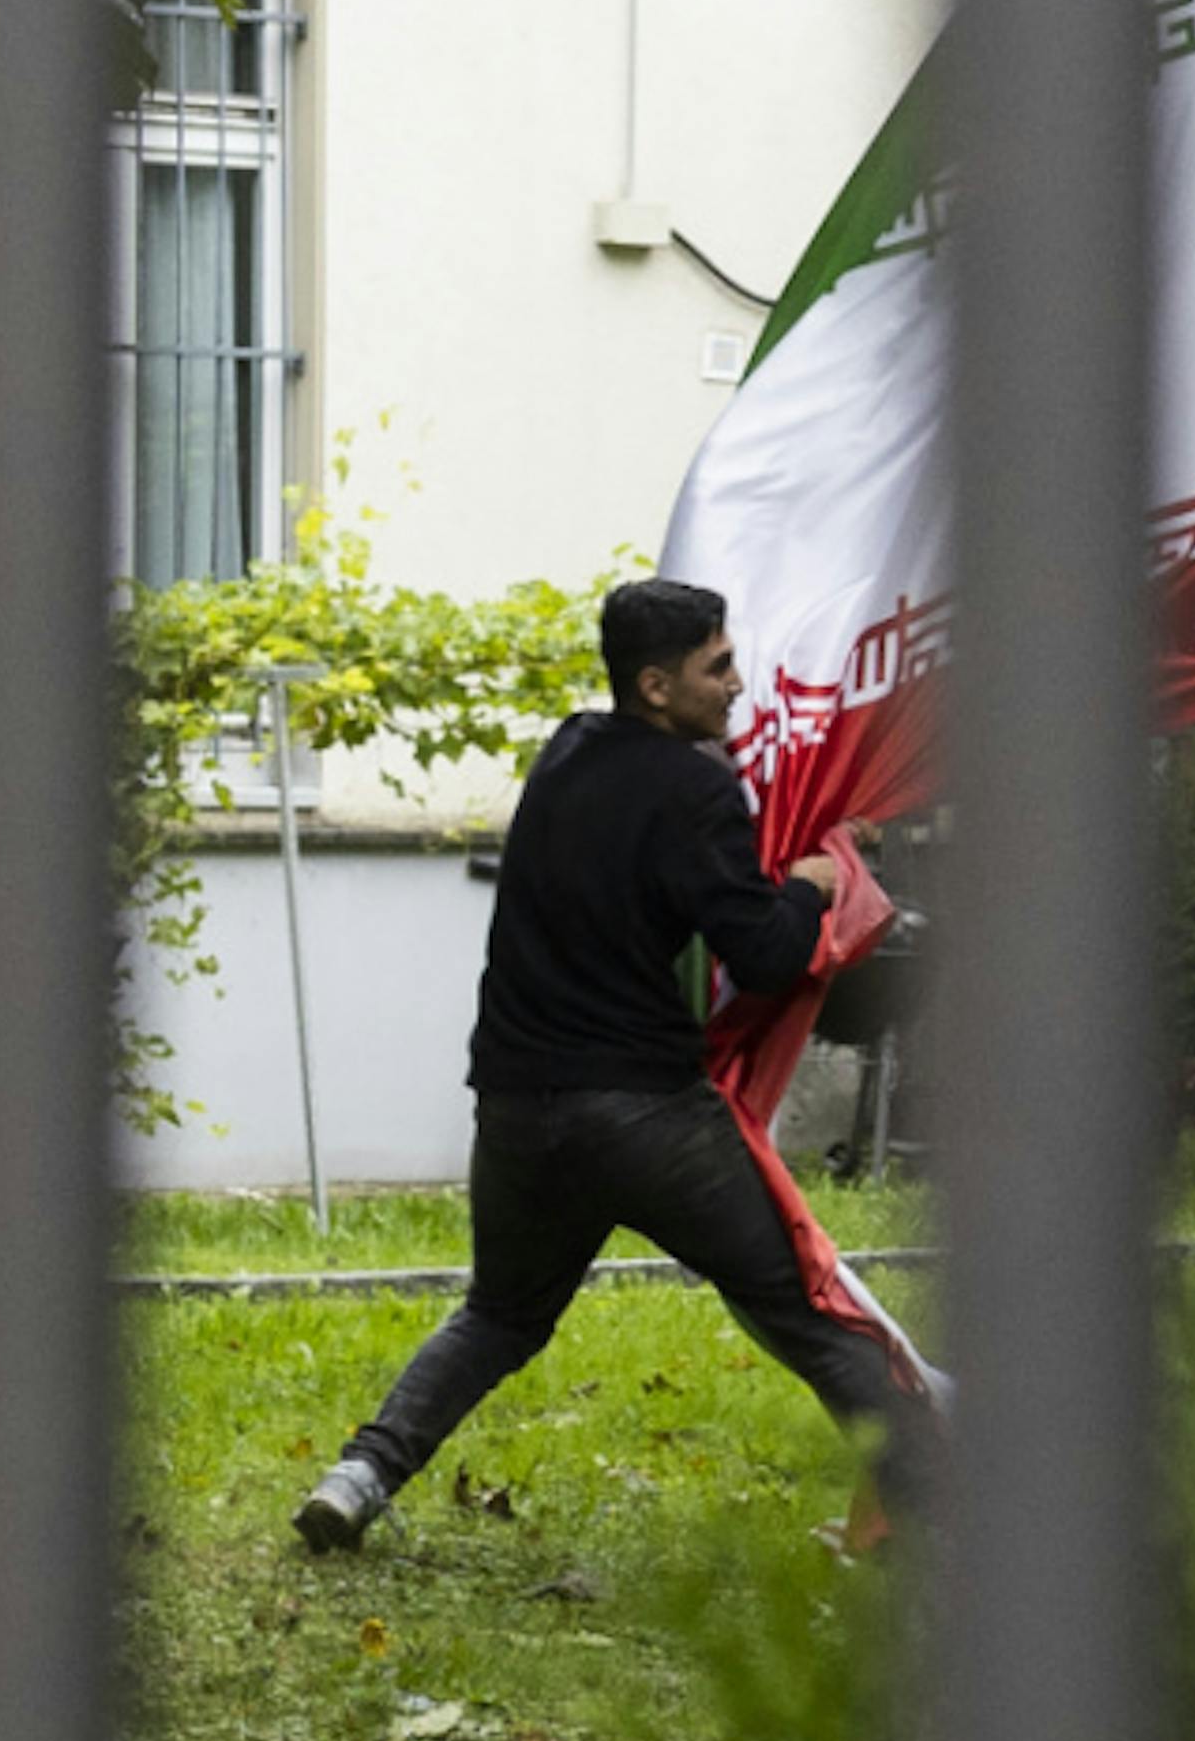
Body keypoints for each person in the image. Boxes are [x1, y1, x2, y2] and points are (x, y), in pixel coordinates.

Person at [293, 576, 937, 1552]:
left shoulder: (567, 753)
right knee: (799, 1308)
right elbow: (762, 954)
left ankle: (358, 1477)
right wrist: (812, 885)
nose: (739, 684)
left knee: (499, 1316)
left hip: (515, 1108)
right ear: (655, 685)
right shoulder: (696, 789)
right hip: (646, 1120)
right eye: (717, 667)